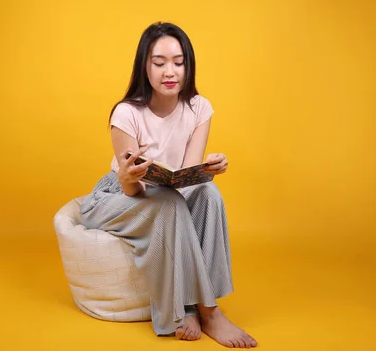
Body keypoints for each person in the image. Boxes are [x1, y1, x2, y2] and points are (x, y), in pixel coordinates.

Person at [79, 22, 257, 348]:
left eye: (178, 62)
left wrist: (207, 171)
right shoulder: (126, 113)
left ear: (188, 65)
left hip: (167, 193)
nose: (169, 71)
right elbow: (132, 189)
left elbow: (187, 180)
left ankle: (191, 303)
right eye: (159, 63)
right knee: (168, 202)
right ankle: (207, 312)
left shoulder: (199, 108)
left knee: (209, 194)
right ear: (144, 66)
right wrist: (129, 179)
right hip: (118, 195)